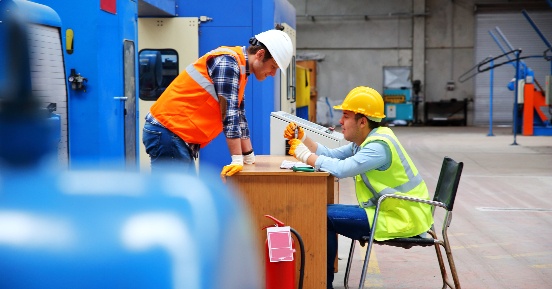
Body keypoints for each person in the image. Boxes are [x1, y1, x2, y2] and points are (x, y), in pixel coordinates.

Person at [283, 86, 434, 289]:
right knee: (323, 212)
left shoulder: (377, 147)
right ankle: (320, 281)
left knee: (322, 215)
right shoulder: (366, 140)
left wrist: (304, 155)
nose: (340, 122)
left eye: (345, 116)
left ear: (362, 121)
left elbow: (342, 169)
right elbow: (332, 155)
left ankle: (322, 284)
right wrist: (304, 139)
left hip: (403, 217)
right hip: (392, 211)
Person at [142, 29, 293, 179]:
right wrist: (237, 159)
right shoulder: (228, 63)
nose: (273, 74)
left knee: (182, 195)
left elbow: (239, 116)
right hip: (169, 133)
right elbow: (229, 113)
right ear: (260, 55)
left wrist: (248, 156)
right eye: (273, 67)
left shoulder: (240, 69)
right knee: (173, 198)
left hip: (174, 135)